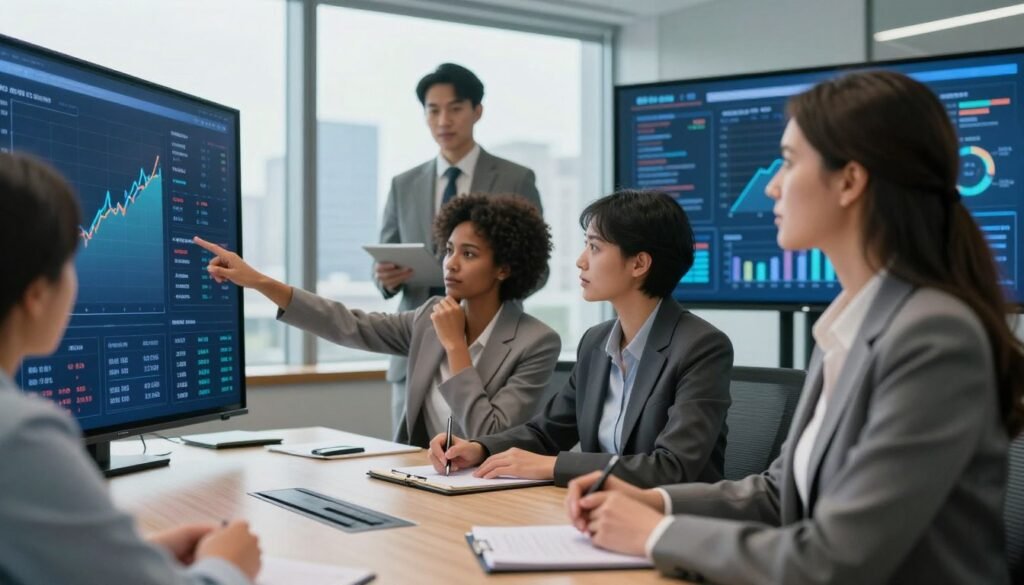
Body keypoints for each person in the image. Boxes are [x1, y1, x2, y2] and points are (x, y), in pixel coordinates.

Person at [565, 71, 1023, 585]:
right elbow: (780, 492)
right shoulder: (851, 326)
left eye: (787, 161)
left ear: (849, 180)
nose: (772, 184)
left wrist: (653, 534)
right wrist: (651, 499)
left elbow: (836, 559)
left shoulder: (934, 336)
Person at [0, 152, 261, 584]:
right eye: (71, 259)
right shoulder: (19, 435)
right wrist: (227, 565)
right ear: (36, 294)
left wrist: (133, 558)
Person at [196, 194, 558, 447]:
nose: (451, 263)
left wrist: (455, 347)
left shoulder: (536, 342)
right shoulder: (429, 315)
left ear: (504, 268)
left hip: (490, 492)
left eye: (469, 254)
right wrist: (259, 281)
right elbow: (348, 324)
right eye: (448, 250)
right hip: (420, 481)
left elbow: (489, 432)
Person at [428, 189, 733, 488]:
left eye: (595, 247)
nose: (580, 261)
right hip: (603, 514)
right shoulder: (596, 342)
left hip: (675, 524)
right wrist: (479, 448)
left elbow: (672, 467)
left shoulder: (701, 347)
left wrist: (554, 466)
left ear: (639, 264)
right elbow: (548, 432)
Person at [375, 63, 544, 435]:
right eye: (433, 110)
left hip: (491, 345)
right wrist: (386, 278)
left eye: (454, 108)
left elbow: (537, 266)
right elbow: (386, 257)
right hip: (417, 345)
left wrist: (490, 289)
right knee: (408, 465)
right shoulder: (403, 184)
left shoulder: (515, 178)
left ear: (476, 111)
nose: (443, 120)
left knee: (485, 456)